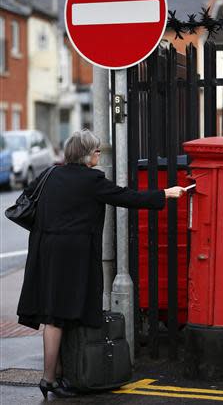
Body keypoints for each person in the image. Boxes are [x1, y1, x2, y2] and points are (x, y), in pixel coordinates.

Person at [16, 129, 185, 399]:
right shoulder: (92, 180)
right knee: (58, 316)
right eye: (96, 150)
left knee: (53, 312)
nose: (98, 154)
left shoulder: (50, 174)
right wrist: (165, 193)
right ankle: (48, 379)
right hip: (71, 254)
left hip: (45, 249)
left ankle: (58, 372)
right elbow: (127, 197)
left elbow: (26, 197)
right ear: (85, 154)